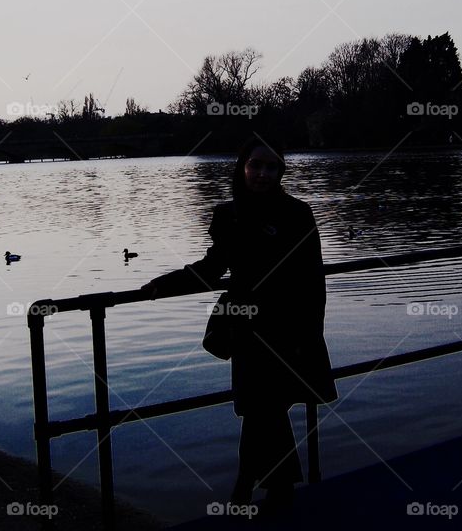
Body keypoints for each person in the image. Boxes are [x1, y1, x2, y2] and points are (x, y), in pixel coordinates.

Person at [142, 137, 337, 510]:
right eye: (256, 165)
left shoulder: (298, 213)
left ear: (281, 172)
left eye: (271, 167)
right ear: (242, 167)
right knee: (262, 408)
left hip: (287, 326)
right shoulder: (227, 214)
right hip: (245, 325)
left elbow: (314, 281)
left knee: (263, 407)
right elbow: (213, 267)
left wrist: (311, 333)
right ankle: (268, 488)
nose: (263, 173)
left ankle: (249, 487)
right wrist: (162, 285)